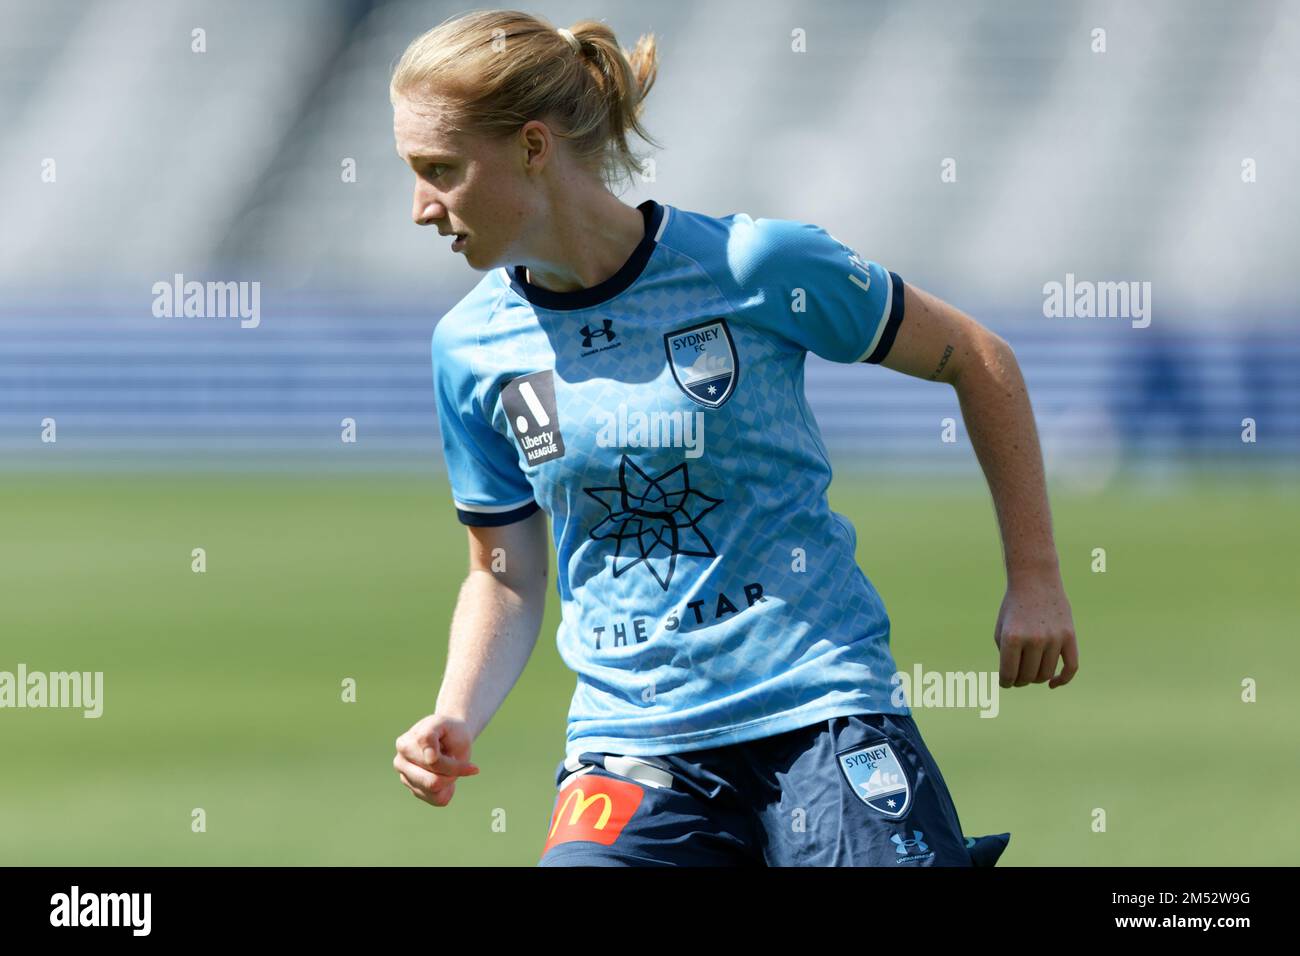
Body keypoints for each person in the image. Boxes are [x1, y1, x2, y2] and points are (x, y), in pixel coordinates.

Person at [390, 10, 1079, 866]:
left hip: (820, 711)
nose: (420, 207)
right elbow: (504, 575)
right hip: (629, 747)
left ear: (534, 147)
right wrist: (455, 713)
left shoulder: (755, 267)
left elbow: (978, 359)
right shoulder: (469, 348)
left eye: (439, 171)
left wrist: (1038, 578)